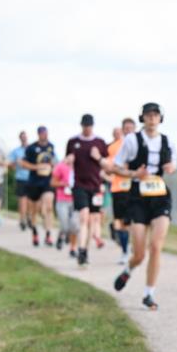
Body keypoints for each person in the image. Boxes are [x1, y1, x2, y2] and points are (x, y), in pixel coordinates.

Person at [100, 103, 176, 311]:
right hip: (137, 197)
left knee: (156, 246)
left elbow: (172, 164)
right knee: (140, 253)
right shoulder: (132, 140)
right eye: (148, 115)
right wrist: (135, 174)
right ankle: (129, 269)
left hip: (160, 196)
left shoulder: (167, 141)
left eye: (156, 115)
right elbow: (116, 167)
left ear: (161, 118)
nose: (152, 119)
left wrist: (170, 167)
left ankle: (148, 293)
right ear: (143, 118)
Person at [66, 114, 110, 267]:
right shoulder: (73, 142)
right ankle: (81, 249)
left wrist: (98, 157)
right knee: (83, 217)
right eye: (85, 125)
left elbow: (107, 165)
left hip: (96, 186)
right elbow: (67, 162)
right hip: (79, 185)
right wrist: (69, 160)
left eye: (89, 126)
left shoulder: (100, 142)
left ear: (93, 126)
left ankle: (85, 251)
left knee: (92, 220)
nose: (87, 128)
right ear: (81, 125)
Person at [21, 126, 57, 247]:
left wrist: (52, 165)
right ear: (38, 134)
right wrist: (37, 167)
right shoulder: (31, 148)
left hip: (47, 182)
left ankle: (48, 235)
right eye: (42, 133)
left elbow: (54, 161)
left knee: (48, 206)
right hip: (34, 182)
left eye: (45, 133)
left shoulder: (51, 146)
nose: (44, 135)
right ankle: (35, 233)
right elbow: (23, 163)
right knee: (34, 211)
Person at [108, 118, 137, 265]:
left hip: (135, 188)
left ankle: (134, 247)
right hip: (118, 187)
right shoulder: (114, 147)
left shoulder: (140, 145)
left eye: (132, 128)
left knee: (133, 221)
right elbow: (111, 166)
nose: (129, 131)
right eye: (126, 128)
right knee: (120, 222)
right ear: (122, 130)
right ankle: (125, 250)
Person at [51, 153, 79, 257]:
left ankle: (72, 248)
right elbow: (53, 182)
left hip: (75, 200)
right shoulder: (60, 166)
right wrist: (63, 184)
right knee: (64, 225)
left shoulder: (79, 167)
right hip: (62, 199)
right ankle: (61, 236)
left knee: (75, 226)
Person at [8, 131, 31, 231]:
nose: (24, 139)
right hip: (20, 178)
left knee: (31, 201)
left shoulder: (32, 149)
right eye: (22, 137)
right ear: (20, 139)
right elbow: (10, 165)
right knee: (22, 200)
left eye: (25, 137)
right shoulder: (15, 151)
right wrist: (15, 162)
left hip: (32, 178)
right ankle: (22, 220)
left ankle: (30, 217)